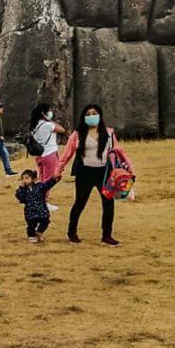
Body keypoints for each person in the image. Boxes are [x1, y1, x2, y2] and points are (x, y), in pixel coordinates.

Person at [56, 104, 132, 247]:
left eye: (94, 113)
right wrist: (58, 170)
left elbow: (120, 151)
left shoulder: (109, 133)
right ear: (84, 117)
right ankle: (71, 232)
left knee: (108, 203)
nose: (92, 116)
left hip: (104, 173)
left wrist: (130, 170)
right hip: (84, 172)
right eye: (88, 114)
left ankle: (107, 236)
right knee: (80, 202)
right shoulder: (77, 134)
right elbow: (67, 154)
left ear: (100, 115)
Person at [28, 104, 66, 211]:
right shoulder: (47, 125)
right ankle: (44, 203)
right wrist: (51, 122)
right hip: (49, 154)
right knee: (48, 180)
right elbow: (62, 129)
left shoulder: (34, 126)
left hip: (39, 156)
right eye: (48, 111)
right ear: (43, 114)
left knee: (42, 178)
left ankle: (39, 200)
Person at [15, 169, 61, 242]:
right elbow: (20, 197)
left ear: (33, 179)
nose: (24, 180)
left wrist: (54, 179)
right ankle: (31, 236)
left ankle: (39, 232)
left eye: (27, 178)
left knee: (45, 221)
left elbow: (47, 185)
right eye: (23, 179)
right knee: (31, 226)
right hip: (30, 212)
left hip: (41, 210)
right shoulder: (23, 190)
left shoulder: (40, 186)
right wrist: (22, 189)